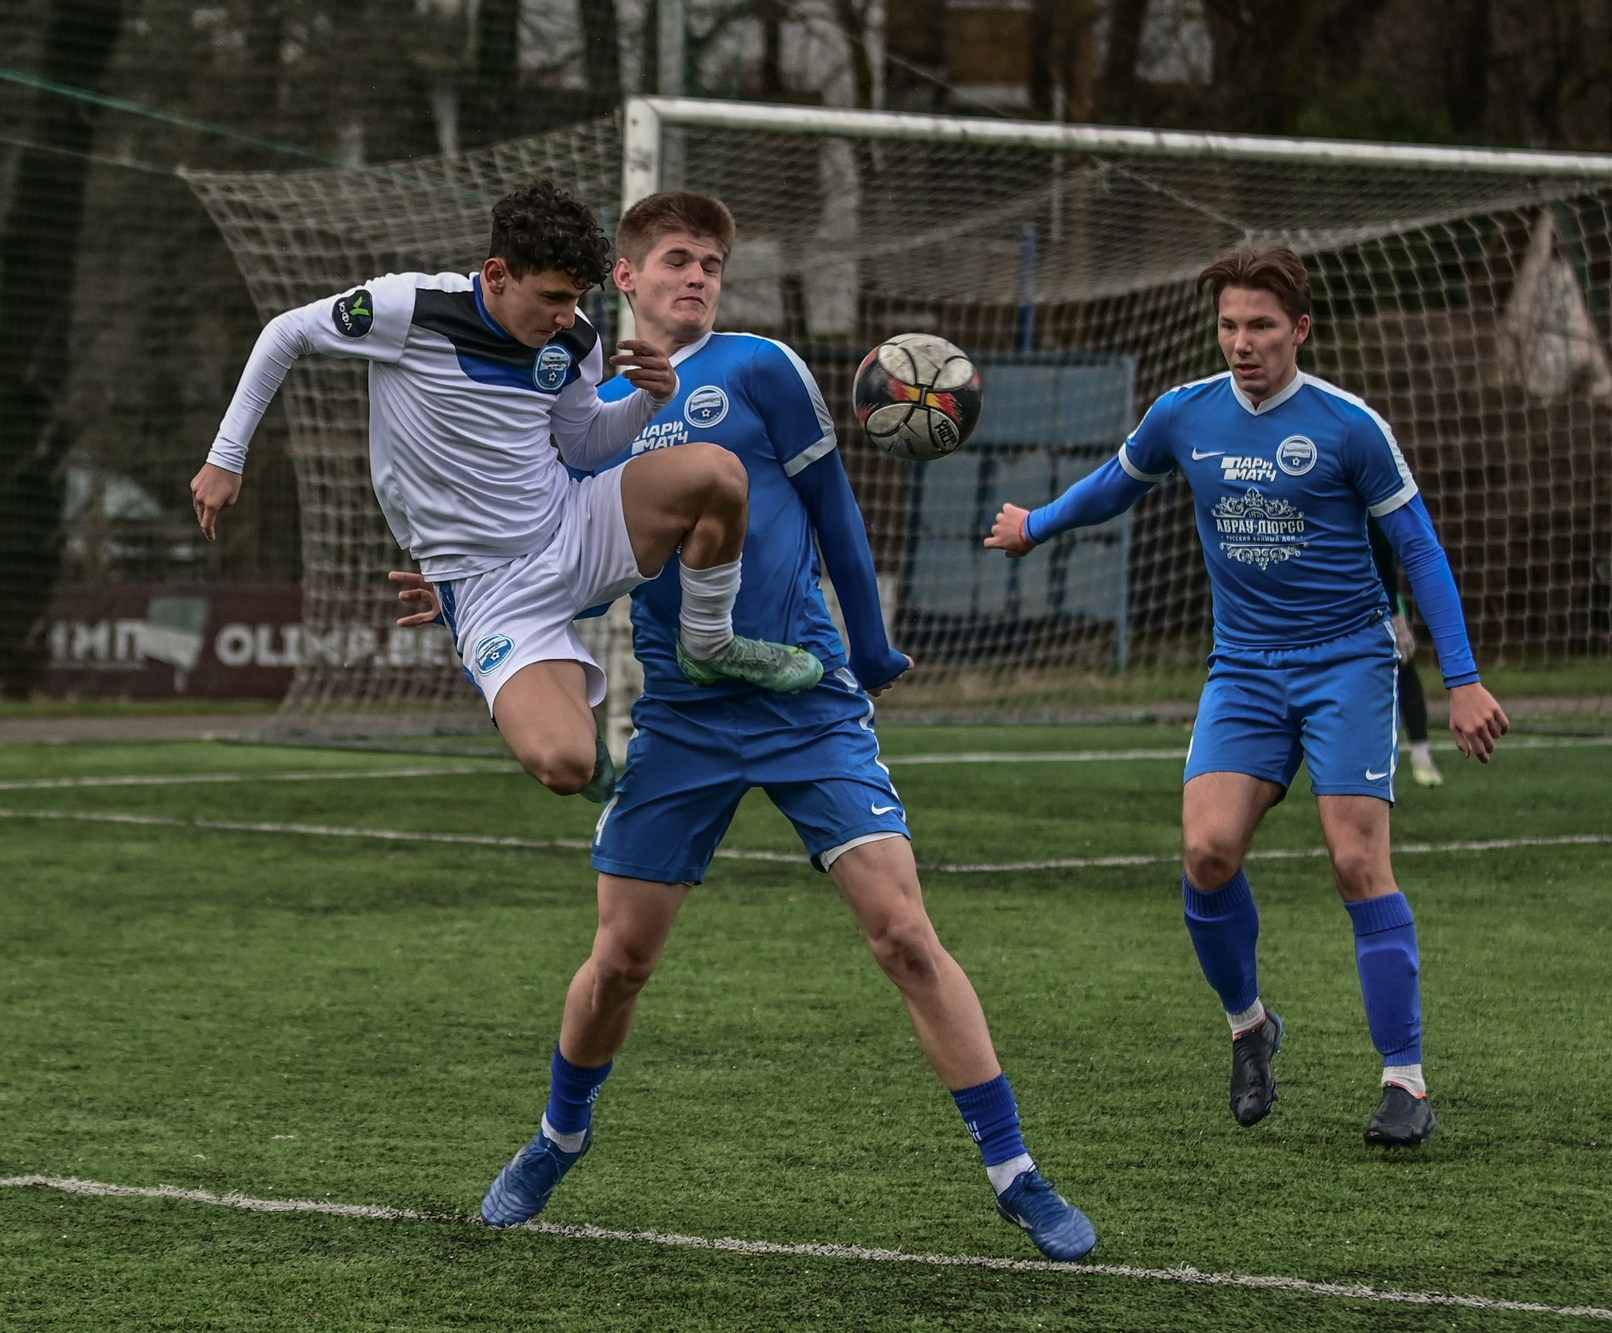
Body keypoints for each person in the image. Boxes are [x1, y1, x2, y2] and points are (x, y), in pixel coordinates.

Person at [396, 191, 1095, 1259]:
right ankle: (556, 1136)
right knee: (619, 961)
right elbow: (561, 567)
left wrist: (866, 643)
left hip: (806, 694)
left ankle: (1016, 1172)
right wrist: (460, 587)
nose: (698, 277)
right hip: (682, 713)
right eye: (677, 260)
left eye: (713, 263)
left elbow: (834, 515)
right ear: (623, 279)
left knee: (904, 933)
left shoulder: (763, 371)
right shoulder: (578, 398)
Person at [985, 246, 1508, 1147]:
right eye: (1229, 324)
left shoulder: (1349, 426)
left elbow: (1419, 548)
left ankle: (1405, 1080)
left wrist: (1461, 681)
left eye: (1261, 325)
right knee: (1207, 850)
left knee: (1355, 862)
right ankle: (1250, 1025)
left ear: (1299, 330)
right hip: (1244, 667)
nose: (1241, 342)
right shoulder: (1183, 414)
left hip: (1348, 662)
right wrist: (1037, 524)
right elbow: (1119, 480)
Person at [190, 180, 821, 804]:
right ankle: (563, 713)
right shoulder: (408, 308)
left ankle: (709, 644)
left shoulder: (573, 340)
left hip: (573, 527)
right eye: (550, 297)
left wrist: (649, 402)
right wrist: (226, 457)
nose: (563, 316)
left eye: (574, 300)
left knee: (715, 472)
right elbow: (286, 334)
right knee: (565, 765)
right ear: (496, 274)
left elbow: (583, 446)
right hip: (489, 585)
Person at [1370, 520, 1444, 787]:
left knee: (1403, 663)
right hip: (1333, 604)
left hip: (1378, 599)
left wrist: (1395, 612)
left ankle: (1422, 756)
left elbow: (1384, 553)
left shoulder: (1370, 499)